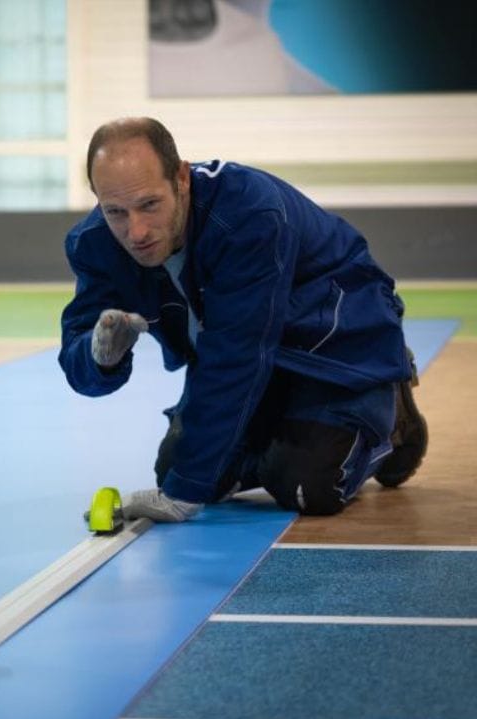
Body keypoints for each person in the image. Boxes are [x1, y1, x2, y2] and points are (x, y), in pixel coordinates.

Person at [59, 117, 428, 523]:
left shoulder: (250, 214)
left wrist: (185, 489)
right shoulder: (94, 245)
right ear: (97, 199)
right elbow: (79, 361)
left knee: (308, 485)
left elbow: (237, 354)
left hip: (336, 350)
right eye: (115, 211)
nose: (137, 231)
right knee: (181, 470)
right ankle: (291, 435)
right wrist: (99, 358)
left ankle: (390, 413)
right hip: (255, 356)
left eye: (150, 204)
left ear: (181, 178)